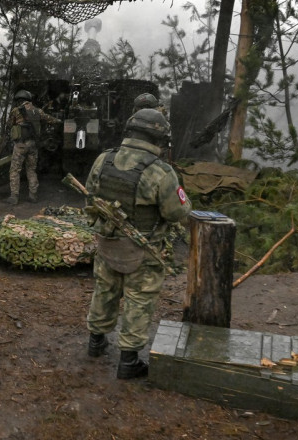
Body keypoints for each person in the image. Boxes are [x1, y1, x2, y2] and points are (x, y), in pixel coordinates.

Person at [83, 108, 191, 379]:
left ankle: (95, 342)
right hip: (142, 250)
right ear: (159, 138)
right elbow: (176, 213)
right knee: (139, 300)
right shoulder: (160, 172)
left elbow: (90, 197)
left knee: (104, 290)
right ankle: (128, 361)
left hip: (107, 243)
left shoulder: (104, 159)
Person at [6, 89, 62, 204]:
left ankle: (14, 197)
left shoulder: (16, 111)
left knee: (15, 170)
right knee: (31, 170)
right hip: (33, 145)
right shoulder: (38, 111)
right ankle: (33, 195)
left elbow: (9, 124)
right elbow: (50, 119)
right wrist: (59, 120)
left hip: (20, 144)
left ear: (19, 100)